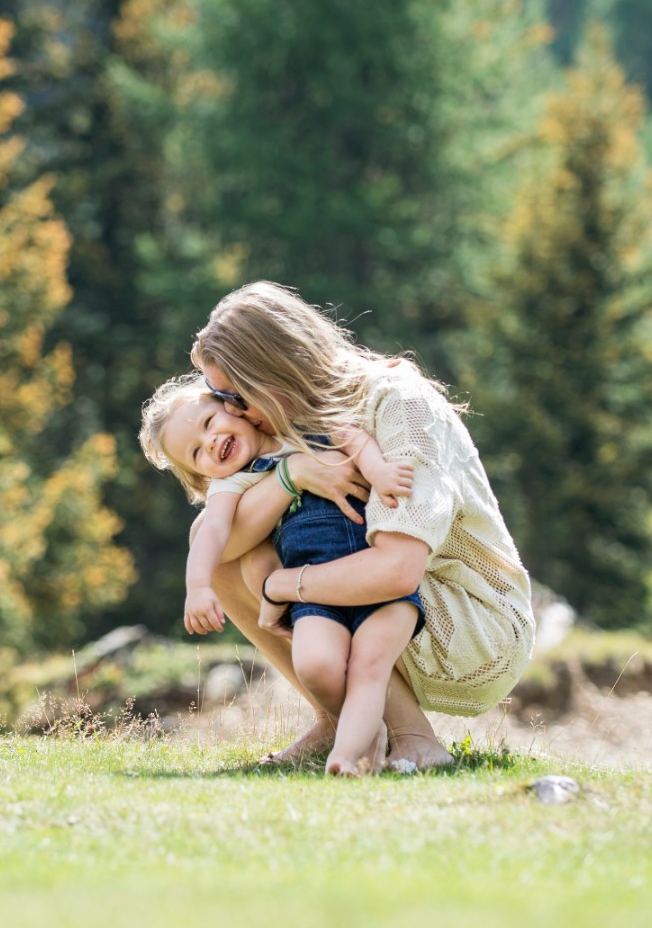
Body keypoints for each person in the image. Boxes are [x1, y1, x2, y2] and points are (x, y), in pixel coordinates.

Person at [183, 281, 537, 771]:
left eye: (233, 396)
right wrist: (291, 475)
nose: (229, 412)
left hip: (473, 624)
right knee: (220, 543)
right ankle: (338, 720)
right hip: (399, 601)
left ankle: (413, 737)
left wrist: (283, 584)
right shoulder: (294, 427)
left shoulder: (397, 403)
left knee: (266, 555)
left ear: (272, 373)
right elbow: (213, 541)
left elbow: (397, 570)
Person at [140, 377, 419, 774]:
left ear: (233, 407)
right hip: (312, 592)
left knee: (368, 662)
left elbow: (349, 434)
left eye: (208, 423)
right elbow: (212, 530)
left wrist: (378, 471)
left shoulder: (295, 427)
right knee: (317, 666)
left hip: (364, 571)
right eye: (197, 452)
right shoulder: (233, 483)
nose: (211, 442)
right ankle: (359, 737)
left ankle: (380, 739)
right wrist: (197, 586)